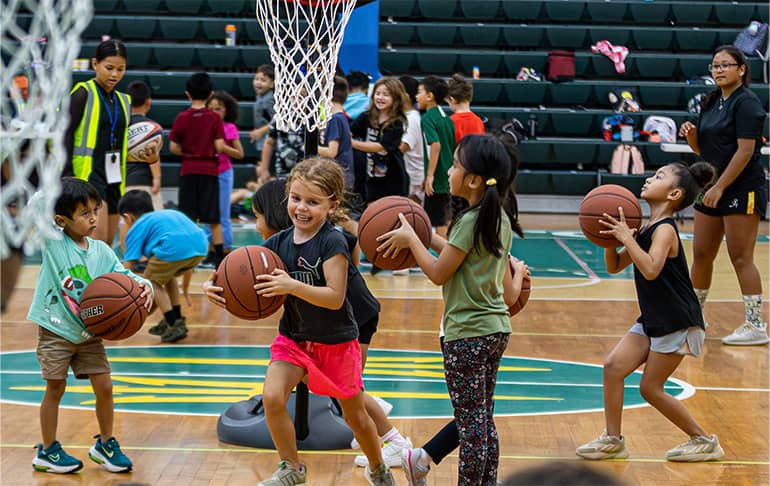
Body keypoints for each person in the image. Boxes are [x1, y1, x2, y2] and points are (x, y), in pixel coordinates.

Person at [203, 157, 396, 485]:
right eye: (295, 198)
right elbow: (243, 271)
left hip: (335, 341)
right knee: (273, 397)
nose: (301, 208)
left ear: (332, 204)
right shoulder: (277, 244)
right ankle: (291, 467)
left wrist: (292, 285)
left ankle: (378, 467)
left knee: (355, 416)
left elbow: (335, 296)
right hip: (293, 339)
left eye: (312, 202)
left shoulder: (332, 243)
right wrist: (215, 285)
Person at [378, 135, 526, 485]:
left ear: (473, 179)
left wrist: (412, 241)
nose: (449, 169)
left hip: (466, 336)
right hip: (495, 330)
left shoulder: (469, 221)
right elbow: (461, 259)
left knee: (471, 426)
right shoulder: (497, 219)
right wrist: (426, 235)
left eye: (455, 164)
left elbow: (438, 272)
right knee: (482, 419)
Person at [247, 177, 412, 469]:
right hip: (315, 326)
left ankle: (394, 440)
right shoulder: (284, 243)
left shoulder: (324, 239)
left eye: (258, 216)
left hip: (354, 317)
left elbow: (345, 261)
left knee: (346, 392)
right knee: (325, 384)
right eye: (297, 199)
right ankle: (293, 467)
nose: (257, 224)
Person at [576, 162, 725, 462]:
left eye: (658, 176)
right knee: (613, 367)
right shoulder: (643, 228)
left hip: (677, 320)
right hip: (654, 318)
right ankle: (613, 439)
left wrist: (627, 239)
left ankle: (704, 440)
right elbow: (614, 266)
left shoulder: (665, 231)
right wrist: (610, 240)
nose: (648, 178)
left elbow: (651, 269)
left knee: (650, 388)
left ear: (674, 193)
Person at [28, 178, 152, 474]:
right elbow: (34, 206)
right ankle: (47, 450)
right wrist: (54, 184)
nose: (94, 218)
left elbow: (124, 274)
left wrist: (144, 284)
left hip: (88, 333)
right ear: (61, 220)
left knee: (105, 385)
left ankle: (106, 444)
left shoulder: (101, 251)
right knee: (55, 388)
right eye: (85, 213)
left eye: (95, 210)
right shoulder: (54, 242)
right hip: (56, 330)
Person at [679, 45, 768, 346]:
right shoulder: (711, 100)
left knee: (741, 257)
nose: (718, 70)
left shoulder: (748, 104)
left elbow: (745, 151)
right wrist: (692, 136)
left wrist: (720, 188)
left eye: (725, 65)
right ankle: (695, 317)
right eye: (714, 65)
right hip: (711, 188)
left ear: (741, 69)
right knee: (702, 254)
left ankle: (756, 325)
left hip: (742, 188)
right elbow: (703, 151)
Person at [64, 39, 131, 246]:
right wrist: (67, 175)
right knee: (96, 241)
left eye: (120, 69)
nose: (114, 74)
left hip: (115, 178)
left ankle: (101, 279)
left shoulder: (124, 100)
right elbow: (62, 134)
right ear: (95, 64)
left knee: (107, 244)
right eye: (109, 68)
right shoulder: (82, 93)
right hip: (88, 176)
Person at [118, 190, 208, 343]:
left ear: (128, 217)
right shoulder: (166, 215)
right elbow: (185, 246)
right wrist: (185, 288)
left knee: (151, 280)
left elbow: (128, 267)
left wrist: (118, 296)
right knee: (168, 276)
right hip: (201, 247)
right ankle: (177, 317)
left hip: (173, 248)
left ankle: (173, 323)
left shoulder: (136, 226)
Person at [168, 72, 226, 266]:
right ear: (210, 94)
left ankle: (188, 256)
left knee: (188, 218)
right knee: (213, 218)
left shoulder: (182, 117)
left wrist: (190, 149)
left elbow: (173, 147)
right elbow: (219, 147)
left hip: (189, 171)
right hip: (209, 171)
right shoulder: (214, 118)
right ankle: (219, 258)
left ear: (187, 94)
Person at [351, 77, 410, 203]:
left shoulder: (396, 123)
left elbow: (380, 147)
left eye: (386, 95)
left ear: (395, 98)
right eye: (377, 93)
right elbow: (351, 130)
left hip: (393, 179)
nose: (380, 98)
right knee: (371, 210)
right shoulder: (366, 116)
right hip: (371, 176)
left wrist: (352, 143)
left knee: (389, 213)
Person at [204, 90, 244, 258]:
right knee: (207, 213)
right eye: (211, 108)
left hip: (223, 174)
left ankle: (224, 248)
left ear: (227, 110)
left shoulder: (229, 128)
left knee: (222, 213)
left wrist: (223, 147)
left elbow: (239, 153)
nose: (215, 112)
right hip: (207, 173)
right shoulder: (204, 126)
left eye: (218, 108)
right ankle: (210, 249)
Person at [417, 75, 456, 238]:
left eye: (419, 92)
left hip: (438, 179)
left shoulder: (427, 118)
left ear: (429, 96)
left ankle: (446, 261)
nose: (416, 96)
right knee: (443, 220)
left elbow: (436, 145)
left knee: (438, 224)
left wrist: (430, 176)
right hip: (448, 176)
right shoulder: (447, 119)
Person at [447, 73, 485, 221]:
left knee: (456, 220)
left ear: (452, 99)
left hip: (457, 178)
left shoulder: (450, 122)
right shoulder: (478, 121)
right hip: (475, 180)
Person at [124, 80, 163, 211]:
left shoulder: (119, 126)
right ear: (148, 102)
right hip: (144, 181)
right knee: (153, 223)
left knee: (128, 223)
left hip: (122, 182)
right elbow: (153, 156)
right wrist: (157, 178)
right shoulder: (153, 129)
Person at [319, 76, 355, 194]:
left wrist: (307, 145)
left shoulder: (336, 119)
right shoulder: (338, 117)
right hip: (338, 175)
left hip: (339, 176)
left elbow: (331, 152)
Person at [398, 75, 425, 205]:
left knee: (412, 217)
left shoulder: (412, 118)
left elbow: (403, 147)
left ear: (406, 96)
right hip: (409, 175)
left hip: (414, 179)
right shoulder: (405, 116)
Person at [258, 119, 305, 185]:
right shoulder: (279, 116)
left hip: (305, 171)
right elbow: (269, 143)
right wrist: (264, 169)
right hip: (283, 171)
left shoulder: (312, 117)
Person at [249, 64, 275, 153]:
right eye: (256, 79)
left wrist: (260, 131)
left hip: (271, 141)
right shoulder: (260, 97)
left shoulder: (270, 99)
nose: (258, 82)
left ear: (272, 84)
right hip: (263, 140)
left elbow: (277, 119)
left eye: (263, 80)